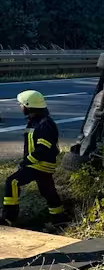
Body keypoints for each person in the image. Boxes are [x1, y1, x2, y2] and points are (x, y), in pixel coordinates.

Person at [2, 91, 67, 227]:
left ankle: (8, 218)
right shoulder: (36, 121)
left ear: (29, 106)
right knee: (48, 192)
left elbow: (43, 150)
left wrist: (27, 162)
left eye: (21, 105)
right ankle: (59, 219)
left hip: (39, 164)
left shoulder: (44, 124)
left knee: (12, 182)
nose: (20, 107)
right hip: (40, 164)